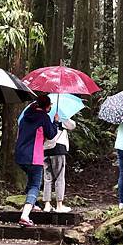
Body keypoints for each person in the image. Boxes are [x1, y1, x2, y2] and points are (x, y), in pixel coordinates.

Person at [15, 94, 58, 227]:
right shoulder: (43, 117)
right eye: (50, 105)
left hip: (20, 156)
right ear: (46, 106)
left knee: (31, 180)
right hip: (34, 156)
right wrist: (55, 122)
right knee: (35, 185)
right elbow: (51, 134)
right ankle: (25, 215)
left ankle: (34, 204)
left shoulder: (26, 116)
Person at [43, 117, 76, 213]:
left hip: (45, 148)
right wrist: (63, 116)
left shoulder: (45, 117)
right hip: (58, 148)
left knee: (47, 178)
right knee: (59, 177)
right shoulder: (61, 116)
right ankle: (59, 205)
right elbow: (72, 125)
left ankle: (47, 205)